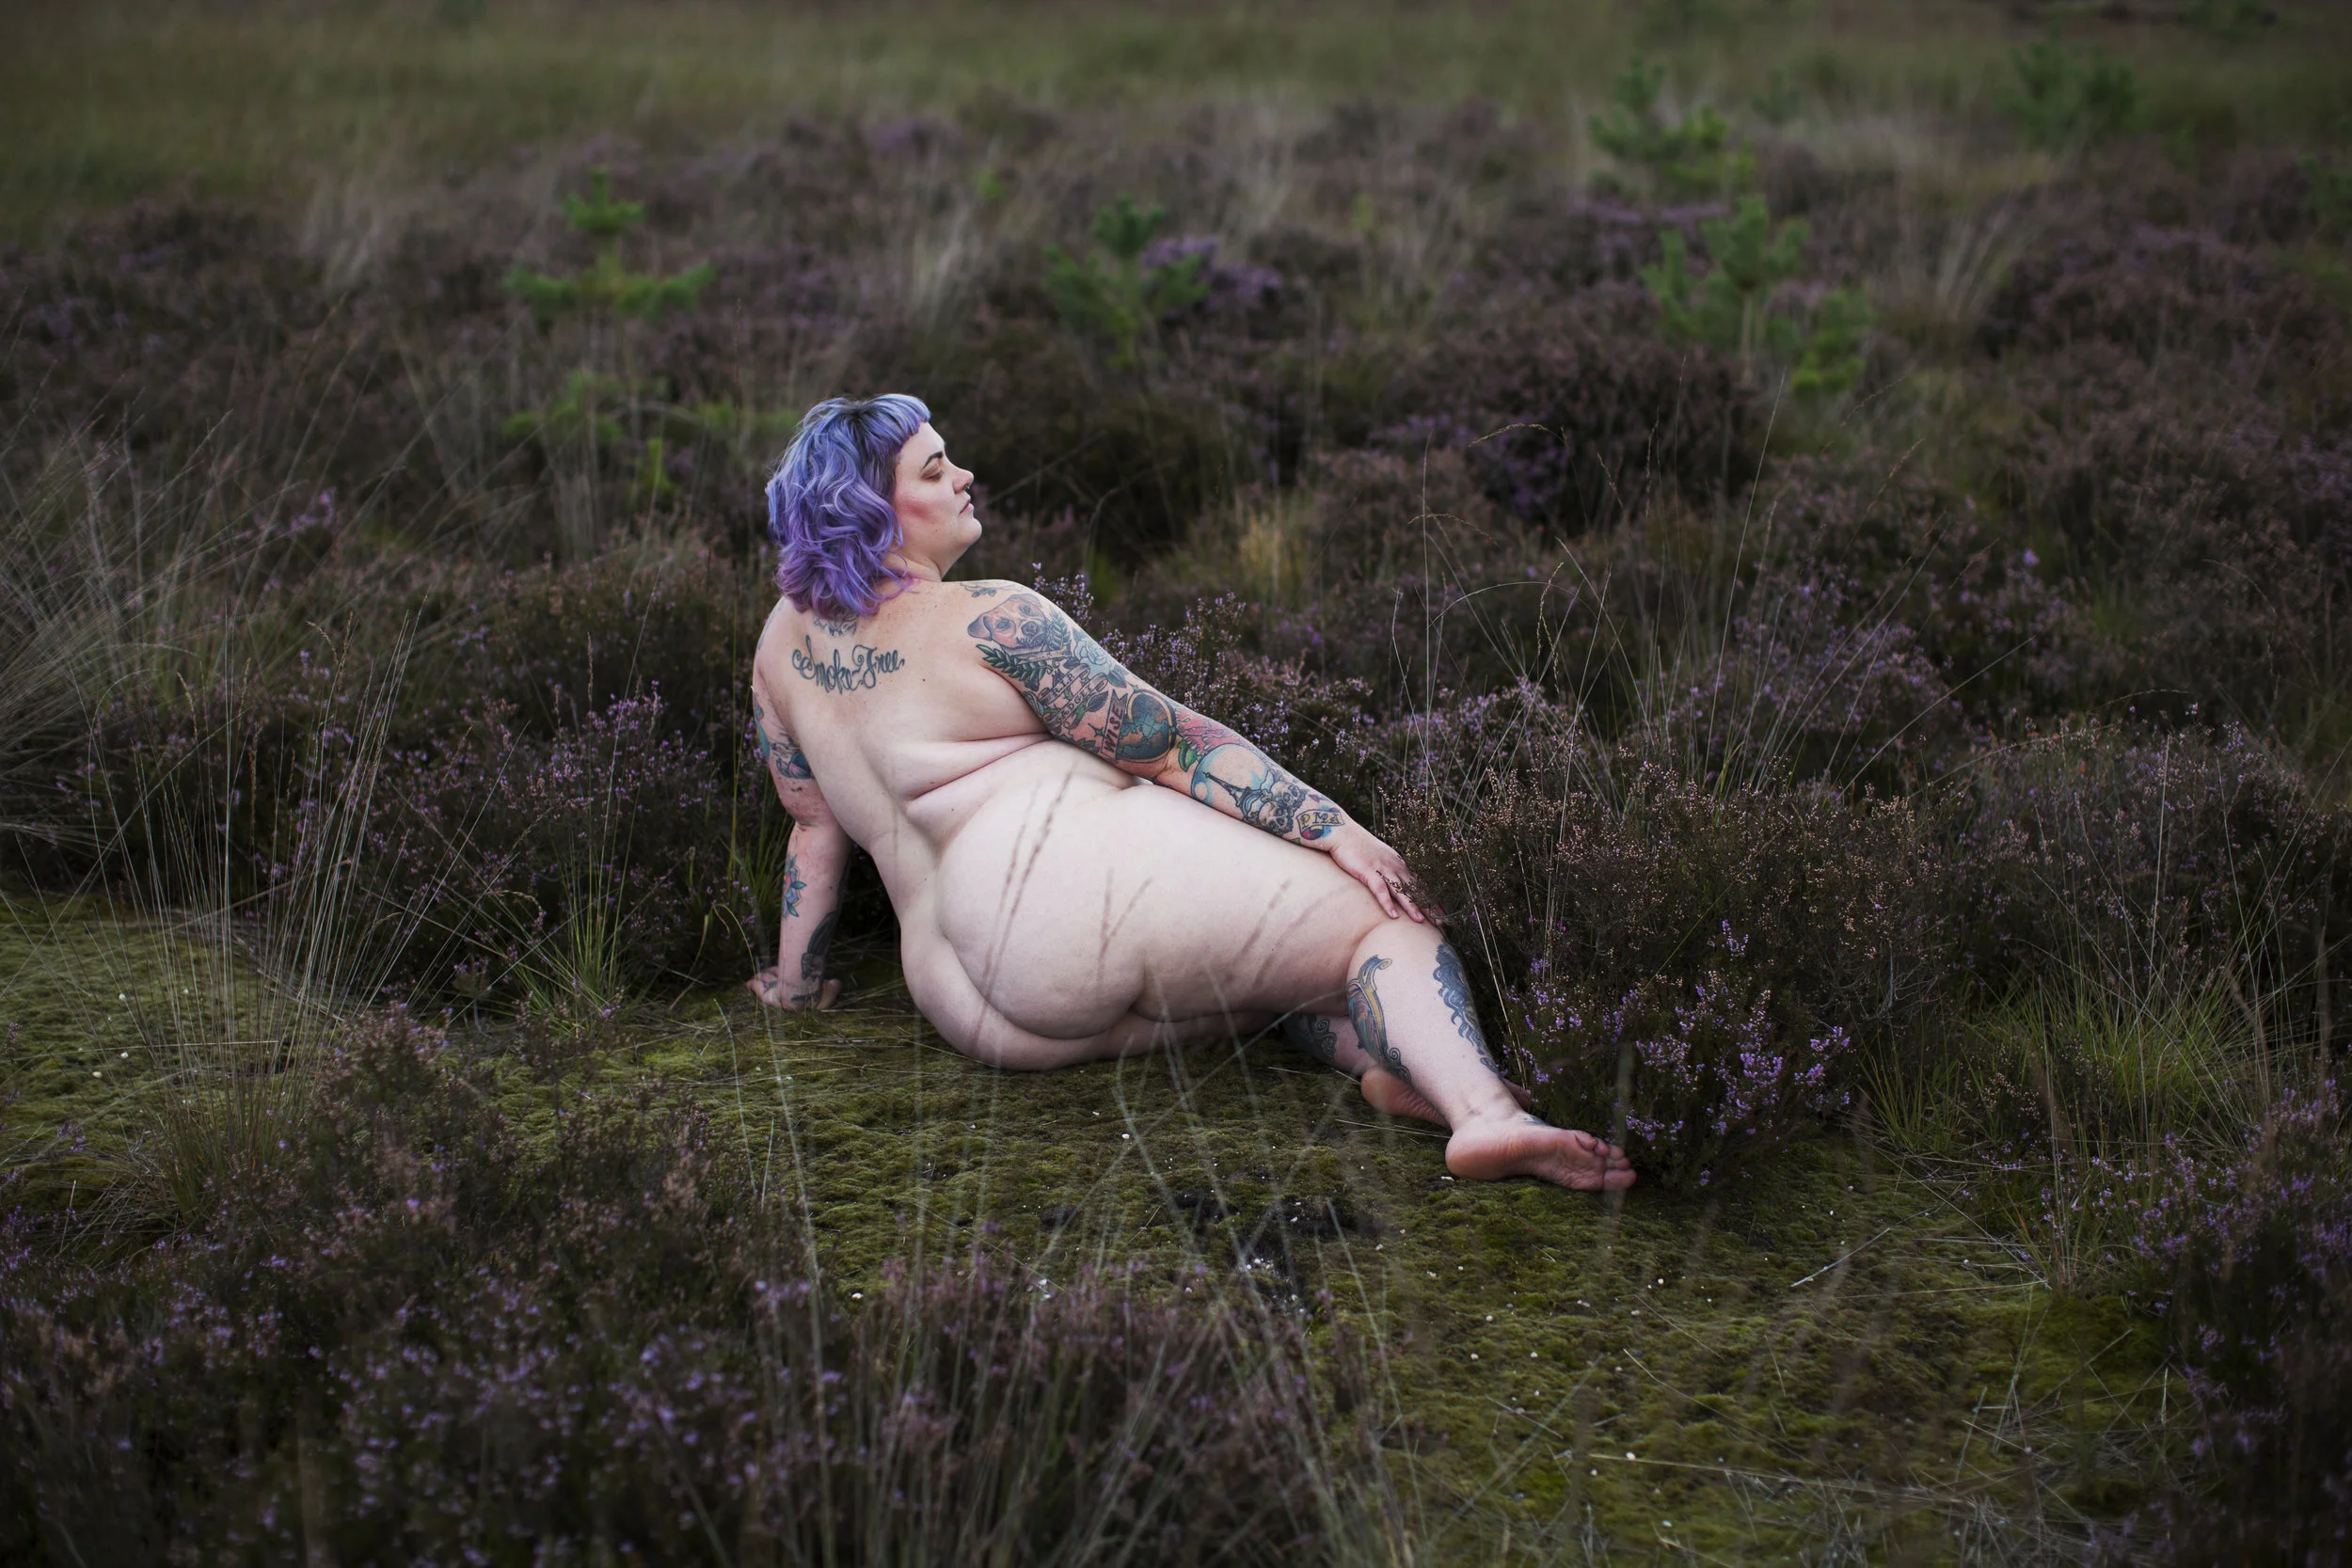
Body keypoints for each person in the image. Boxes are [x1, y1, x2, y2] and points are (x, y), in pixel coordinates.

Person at [746, 394, 1634, 1193]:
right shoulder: (989, 618)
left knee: (1270, 992)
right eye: (935, 469)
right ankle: (1486, 1115)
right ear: (873, 512)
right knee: (1383, 922)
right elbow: (1169, 745)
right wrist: (1336, 830)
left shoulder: (783, 642)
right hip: (1060, 915)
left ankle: (1398, 1070)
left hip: (964, 1002)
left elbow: (813, 828)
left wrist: (796, 986)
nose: (964, 477)